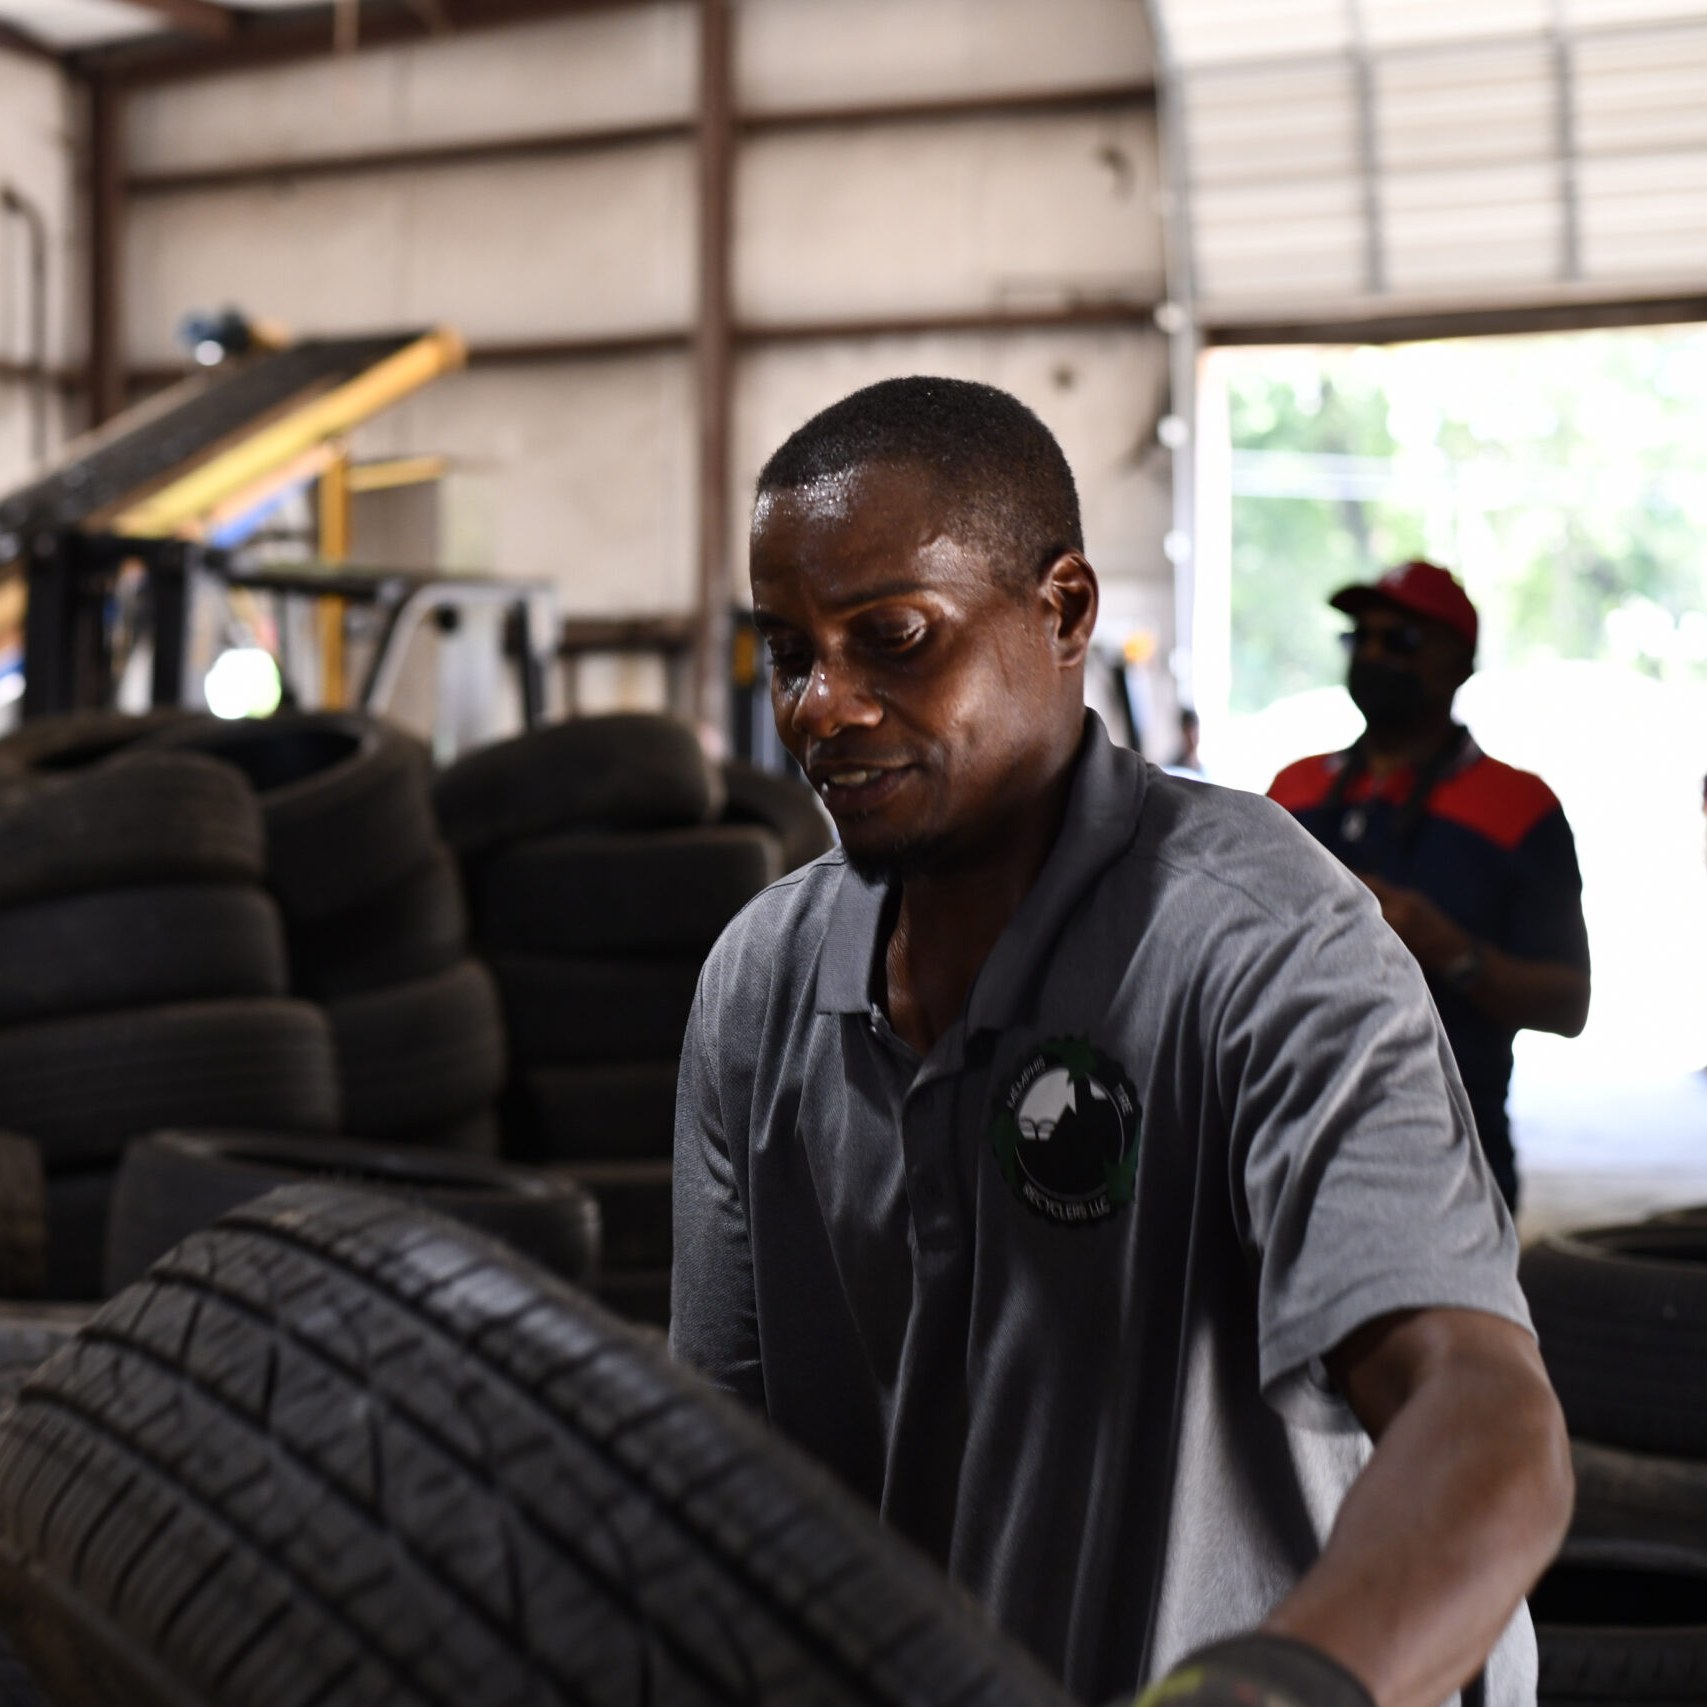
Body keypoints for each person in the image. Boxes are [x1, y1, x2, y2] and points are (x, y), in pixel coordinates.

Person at [672, 377, 1568, 1707]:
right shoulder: (762, 986)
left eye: (895, 636)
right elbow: (721, 1458)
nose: (820, 704)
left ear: (1067, 610)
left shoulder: (1263, 948)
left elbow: (1485, 1423)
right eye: (789, 652)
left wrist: (1280, 1684)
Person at [1268, 561, 1591, 1209]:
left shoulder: (1519, 806)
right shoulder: (1291, 791)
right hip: (1289, 1148)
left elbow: (1568, 1005)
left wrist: (1443, 945)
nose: (1376, 653)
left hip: (1450, 1161)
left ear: (1460, 663)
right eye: (1361, 638)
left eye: (1404, 641)